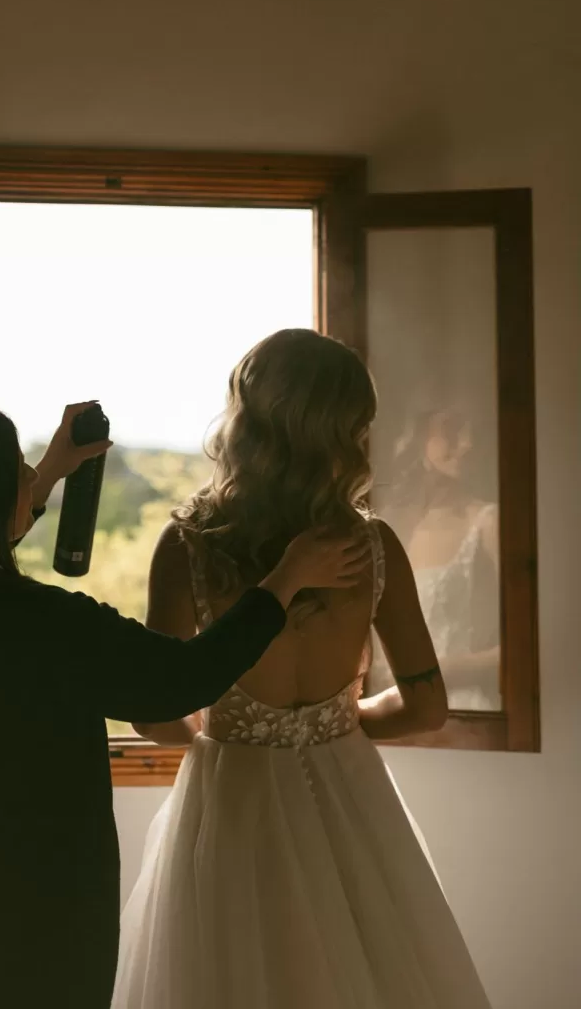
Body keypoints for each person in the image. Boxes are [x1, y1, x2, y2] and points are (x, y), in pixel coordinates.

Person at [0, 400, 369, 1009]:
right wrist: (284, 581)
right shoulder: (51, 627)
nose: (33, 477)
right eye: (19, 471)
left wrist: (53, 470)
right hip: (41, 898)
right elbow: (181, 679)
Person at [112, 330, 493, 1009]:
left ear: (247, 421)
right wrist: (345, 719)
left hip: (232, 798)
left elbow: (153, 713)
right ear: (344, 433)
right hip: (346, 792)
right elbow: (427, 707)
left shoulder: (189, 548)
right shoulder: (373, 548)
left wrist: (220, 727)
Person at [373, 408, 499, 709]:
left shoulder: (487, 522)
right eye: (452, 429)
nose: (467, 444)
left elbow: (525, 645)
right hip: (383, 705)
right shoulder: (387, 524)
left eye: (473, 434)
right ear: (417, 439)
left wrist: (436, 671)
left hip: (461, 708)